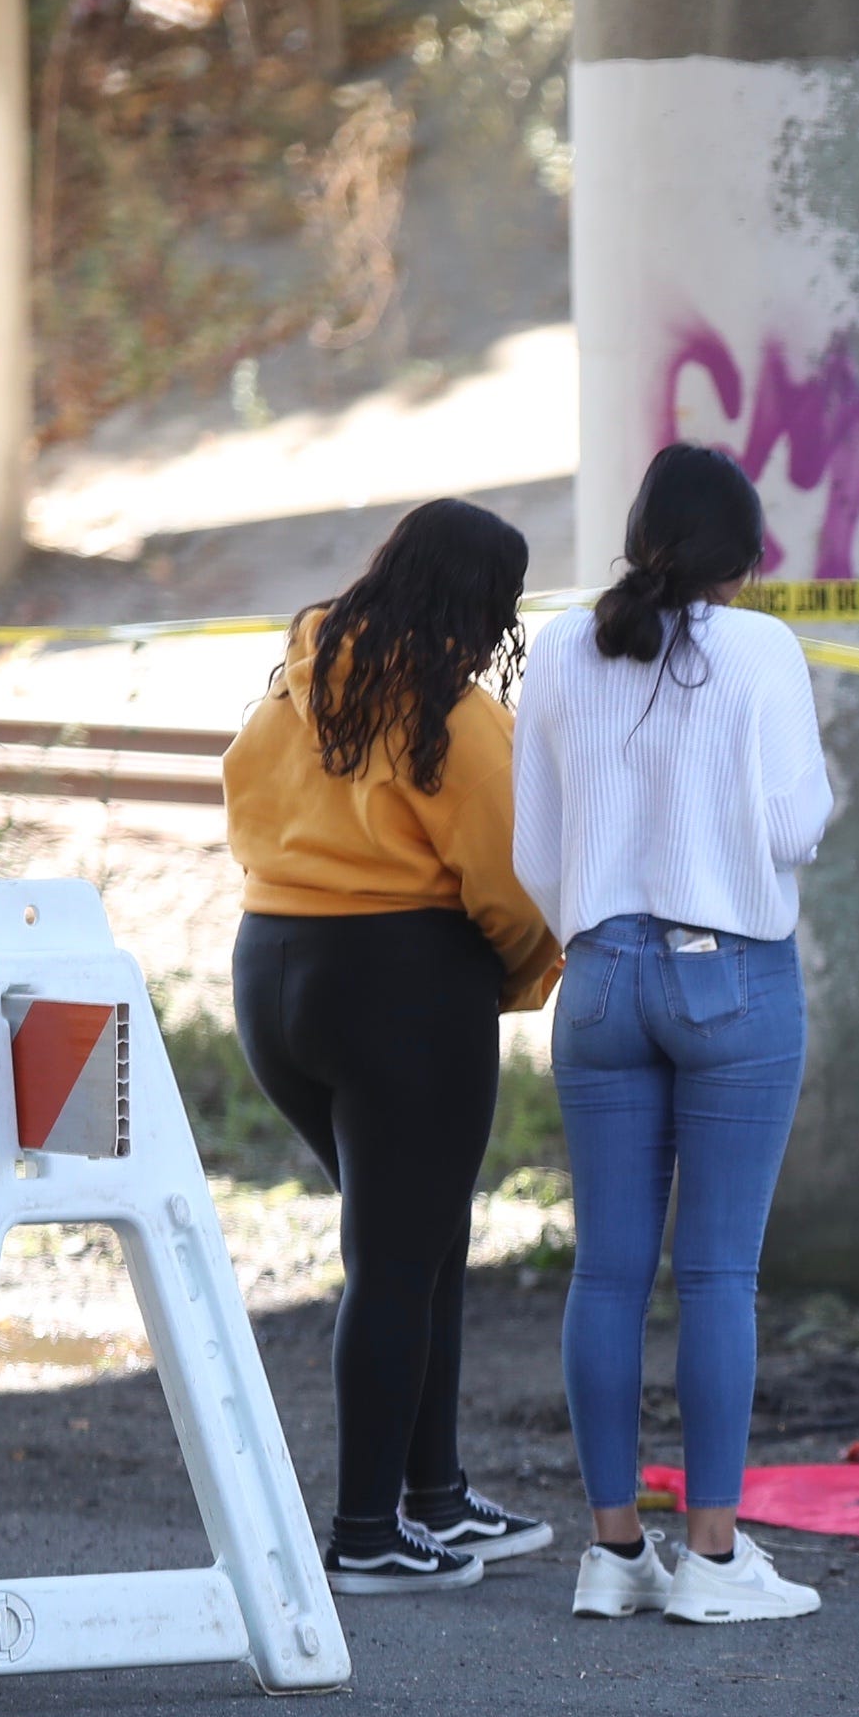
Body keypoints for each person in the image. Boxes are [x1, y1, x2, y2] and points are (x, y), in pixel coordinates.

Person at [515, 443, 834, 1626]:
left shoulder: (559, 648)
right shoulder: (762, 650)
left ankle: (612, 1551)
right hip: (729, 975)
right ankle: (710, 1558)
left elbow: (532, 851)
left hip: (596, 977)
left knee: (605, 1268)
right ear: (744, 555)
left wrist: (602, 926)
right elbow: (794, 825)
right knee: (713, 1272)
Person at [225, 498, 562, 1594]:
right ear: (477, 604)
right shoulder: (453, 718)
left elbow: (240, 795)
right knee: (399, 1255)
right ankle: (367, 1528)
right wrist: (515, 976)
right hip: (400, 985)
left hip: (272, 970)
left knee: (417, 1244)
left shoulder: (298, 681)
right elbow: (515, 884)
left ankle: (434, 1496)